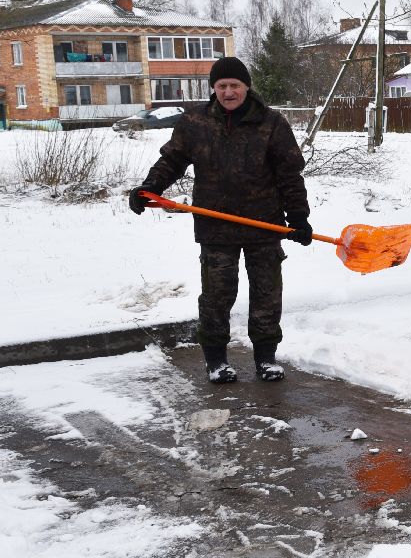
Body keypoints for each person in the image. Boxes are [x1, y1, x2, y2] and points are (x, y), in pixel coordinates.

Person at [129, 56, 312, 384]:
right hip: (216, 226)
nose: (229, 92)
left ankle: (266, 359)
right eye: (222, 85)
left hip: (263, 224)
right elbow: (172, 160)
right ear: (213, 88)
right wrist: (150, 187)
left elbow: (289, 174)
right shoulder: (195, 123)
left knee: (267, 293)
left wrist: (298, 217)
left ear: (247, 87)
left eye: (235, 85)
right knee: (216, 295)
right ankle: (216, 360)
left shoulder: (271, 123)